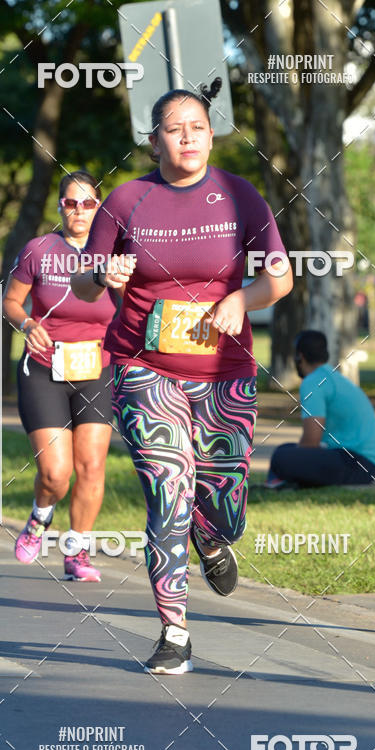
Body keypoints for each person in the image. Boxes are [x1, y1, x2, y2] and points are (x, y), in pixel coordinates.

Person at [72, 79, 293, 673]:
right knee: (166, 489)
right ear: (154, 141)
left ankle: (212, 532)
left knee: (223, 499)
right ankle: (174, 632)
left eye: (198, 126)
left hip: (225, 370)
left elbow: (280, 278)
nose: (188, 137)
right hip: (144, 368)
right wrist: (105, 274)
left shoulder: (240, 195)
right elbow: (83, 281)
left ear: (212, 134)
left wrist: (243, 299)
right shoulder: (125, 201)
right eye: (175, 128)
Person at [3, 171, 117, 581]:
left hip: (96, 371)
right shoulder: (39, 250)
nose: (80, 211)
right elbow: (12, 301)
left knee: (91, 466)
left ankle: (77, 552)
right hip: (44, 369)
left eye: (89, 203)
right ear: (60, 207)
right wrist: (27, 324)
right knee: (55, 473)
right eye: (72, 203)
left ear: (99, 208)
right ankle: (40, 515)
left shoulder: (112, 257)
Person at [265, 330, 375, 489]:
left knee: (281, 457)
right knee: (286, 450)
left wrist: (297, 458)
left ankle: (277, 482)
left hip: (356, 464)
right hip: (365, 464)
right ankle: (282, 480)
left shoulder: (313, 382)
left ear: (300, 356)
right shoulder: (333, 376)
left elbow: (311, 440)